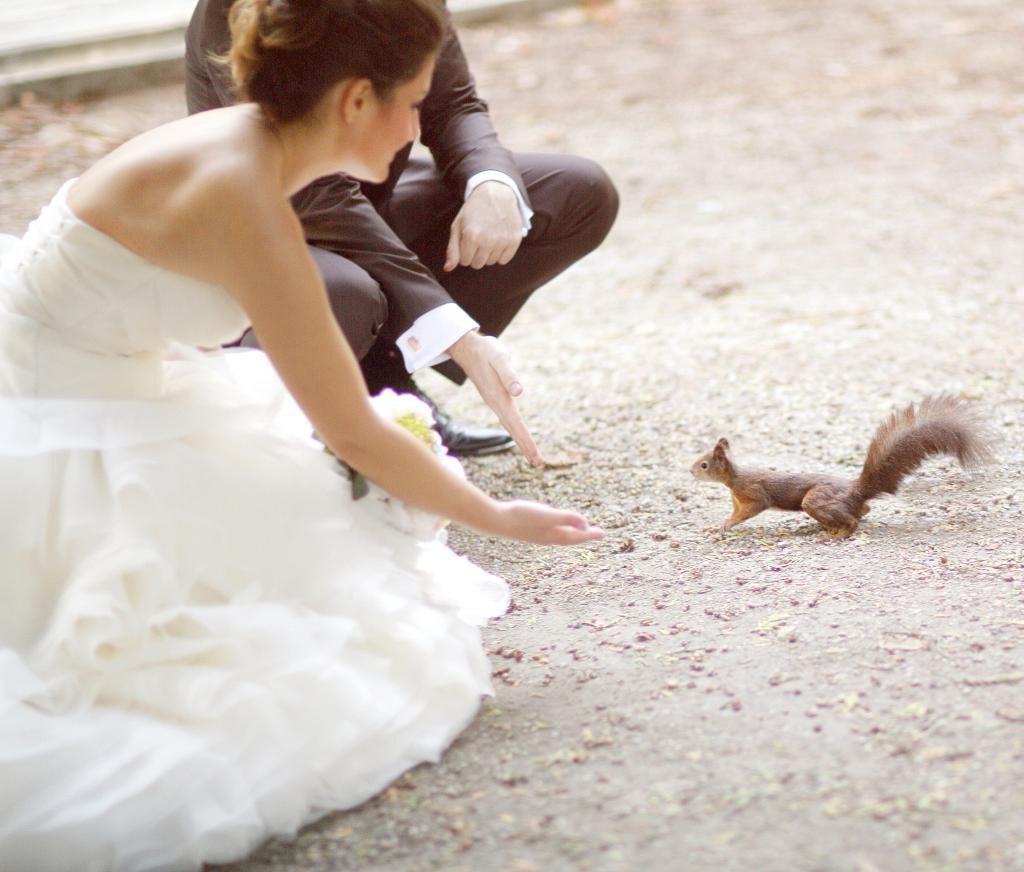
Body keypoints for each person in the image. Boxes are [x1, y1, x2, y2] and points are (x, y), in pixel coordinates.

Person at [0, 0, 603, 869]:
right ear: (357, 101)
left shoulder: (258, 145)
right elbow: (353, 430)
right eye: (410, 105)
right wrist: (496, 516)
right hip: (55, 418)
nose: (417, 129)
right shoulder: (246, 198)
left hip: (130, 366)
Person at [186, 0, 620, 464]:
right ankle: (279, 430)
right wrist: (455, 333)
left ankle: (383, 375)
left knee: (575, 191)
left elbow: (450, 102)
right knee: (346, 290)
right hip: (268, 226)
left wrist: (488, 182)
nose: (414, 129)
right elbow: (307, 186)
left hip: (368, 200)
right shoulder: (241, 10)